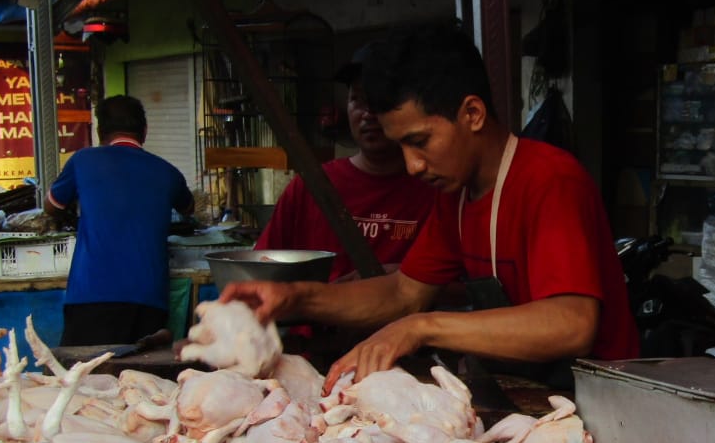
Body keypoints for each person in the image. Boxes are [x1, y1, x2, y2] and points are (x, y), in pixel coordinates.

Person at [222, 21, 639, 392]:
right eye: (401, 145)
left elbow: (571, 324)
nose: (412, 165)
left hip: (602, 403)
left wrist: (421, 328)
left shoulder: (550, 180)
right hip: (530, 393)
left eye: (419, 141)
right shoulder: (455, 196)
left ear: (472, 113)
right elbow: (404, 292)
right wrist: (293, 298)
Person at [255, 45, 438, 281]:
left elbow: (465, 287)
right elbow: (261, 269)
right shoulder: (311, 187)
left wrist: (401, 277)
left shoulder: (433, 189)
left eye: (379, 101)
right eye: (357, 100)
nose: (367, 114)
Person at [46, 95, 193, 346]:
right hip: (149, 300)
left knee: (83, 377)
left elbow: (52, 205)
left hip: (90, 297)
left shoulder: (82, 161)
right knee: (142, 378)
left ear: (101, 132)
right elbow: (189, 208)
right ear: (144, 132)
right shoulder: (168, 172)